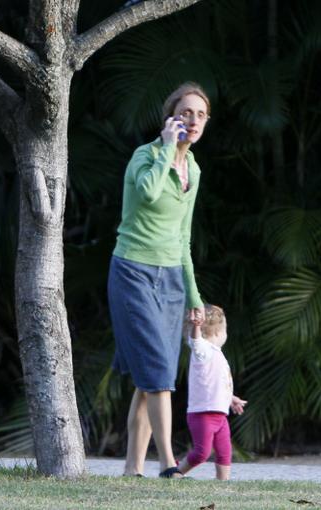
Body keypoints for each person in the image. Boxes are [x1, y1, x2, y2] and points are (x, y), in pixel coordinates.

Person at [107, 82, 211, 478]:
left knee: (151, 376)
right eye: (186, 112)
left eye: (201, 115)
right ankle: (169, 463)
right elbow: (149, 194)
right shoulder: (145, 156)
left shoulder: (194, 170)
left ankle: (133, 469)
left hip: (171, 279)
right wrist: (168, 146)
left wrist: (194, 295)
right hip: (132, 270)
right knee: (158, 373)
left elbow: (183, 237)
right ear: (171, 116)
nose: (194, 120)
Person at [178, 305, 246, 480]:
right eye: (225, 330)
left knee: (225, 450)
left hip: (220, 415)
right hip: (203, 414)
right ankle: (176, 472)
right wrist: (197, 326)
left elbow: (216, 383)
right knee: (202, 452)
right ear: (217, 332)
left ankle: (223, 482)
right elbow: (196, 341)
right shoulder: (203, 351)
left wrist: (231, 398)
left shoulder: (218, 355)